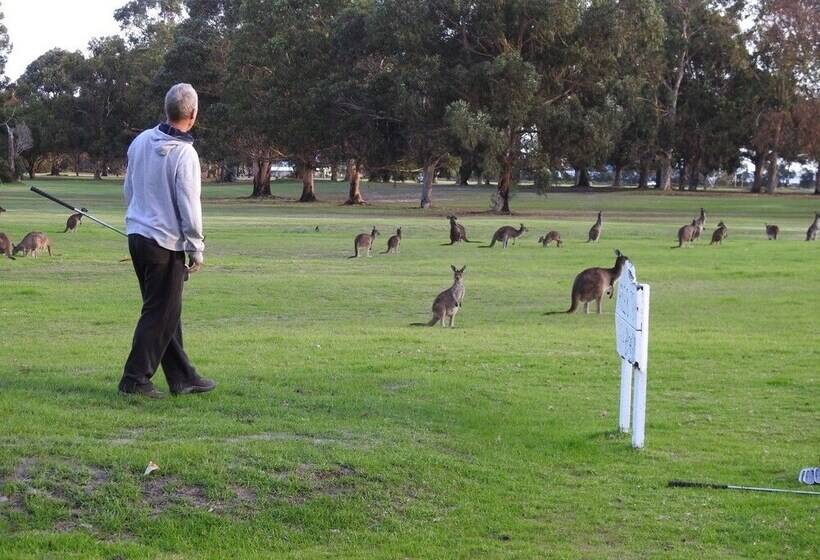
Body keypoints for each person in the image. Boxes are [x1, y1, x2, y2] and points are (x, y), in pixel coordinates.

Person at [118, 83, 215, 398]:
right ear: (193, 113)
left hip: (138, 236)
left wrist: (137, 218)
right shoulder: (185, 154)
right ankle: (134, 380)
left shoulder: (141, 141)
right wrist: (196, 248)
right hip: (164, 243)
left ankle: (183, 377)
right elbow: (189, 205)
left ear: (167, 109)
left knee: (165, 310)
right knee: (160, 312)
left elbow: (129, 189)